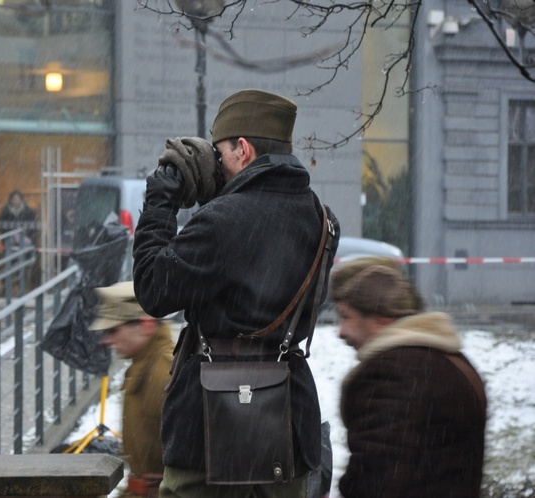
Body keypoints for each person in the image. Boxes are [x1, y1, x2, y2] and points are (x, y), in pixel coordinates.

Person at [132, 89, 341, 497]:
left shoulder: (222, 222)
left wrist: (161, 201)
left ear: (242, 150)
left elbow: (153, 289)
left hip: (209, 425)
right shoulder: (321, 219)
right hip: (285, 424)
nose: (216, 161)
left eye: (221, 151)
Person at [329, 257, 487, 498]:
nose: (341, 331)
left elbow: (376, 480)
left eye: (346, 316)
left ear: (380, 319)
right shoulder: (449, 361)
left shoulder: (391, 374)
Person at [89, 281, 175, 498]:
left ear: (145, 324)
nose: (107, 340)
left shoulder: (164, 372)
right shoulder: (144, 363)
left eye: (114, 329)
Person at [0, 190, 41, 287]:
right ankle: (7, 288)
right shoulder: (5, 212)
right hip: (10, 246)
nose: (15, 201)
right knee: (9, 266)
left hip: (25, 245)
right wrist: (9, 235)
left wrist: (27, 234)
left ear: (21, 200)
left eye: (17, 198)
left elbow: (34, 228)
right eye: (13, 199)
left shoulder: (29, 212)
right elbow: (0, 227)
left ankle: (22, 286)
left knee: (23, 266)